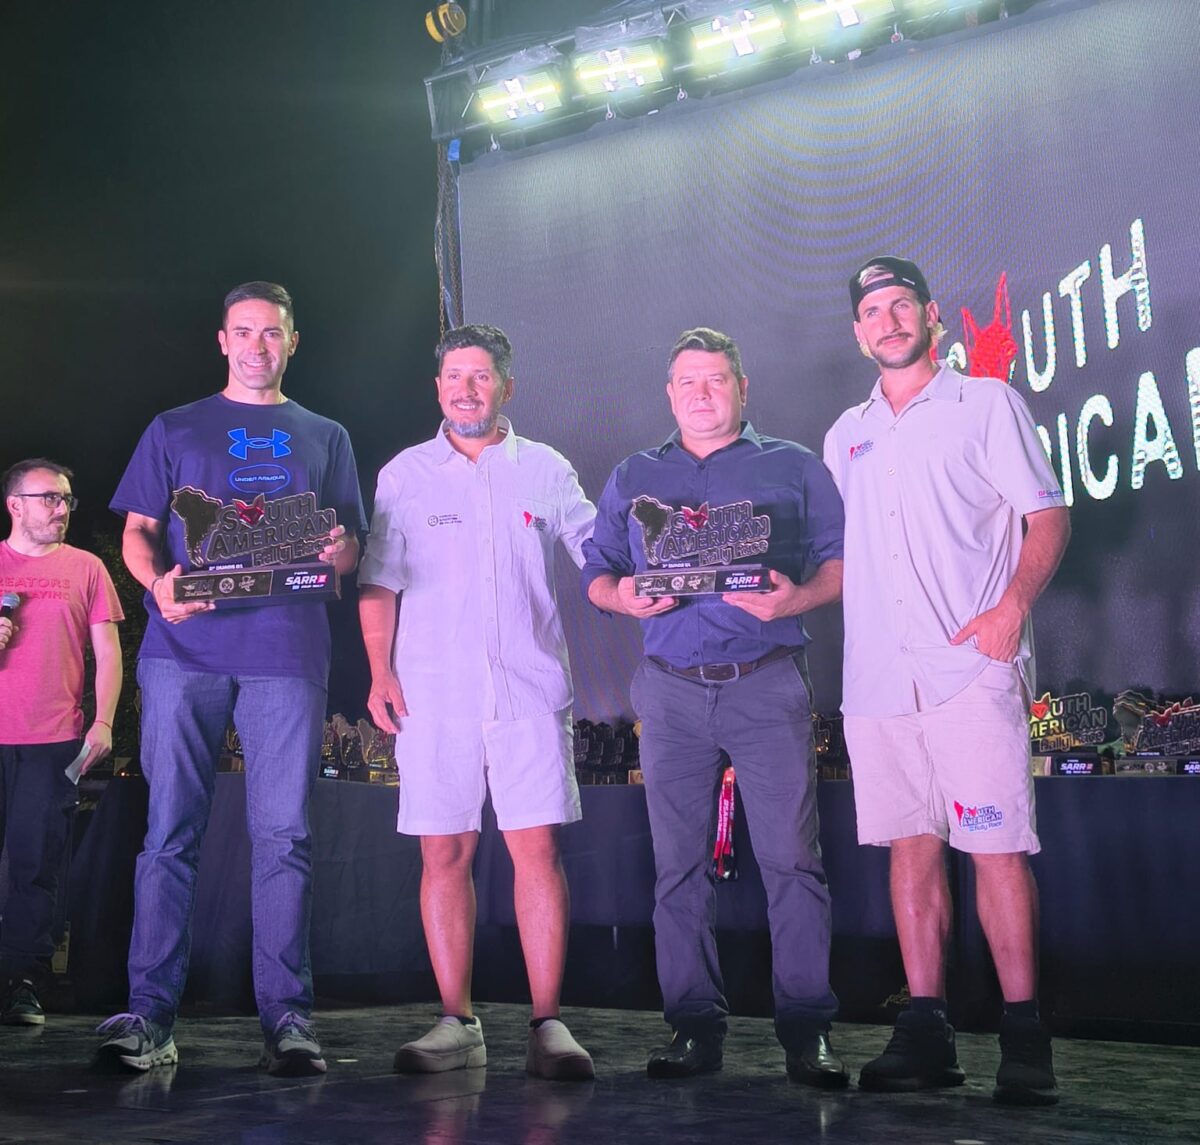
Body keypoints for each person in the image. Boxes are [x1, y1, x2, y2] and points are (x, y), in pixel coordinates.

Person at [100, 282, 365, 1076]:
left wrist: (340, 552)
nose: (257, 345)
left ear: (293, 341)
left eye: (272, 332)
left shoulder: (326, 434)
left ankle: (287, 1017)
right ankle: (151, 1014)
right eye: (244, 331)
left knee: (285, 836)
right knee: (168, 833)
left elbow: (350, 543)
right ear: (222, 340)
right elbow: (139, 533)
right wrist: (156, 585)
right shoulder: (174, 426)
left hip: (287, 651)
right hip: (183, 653)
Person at [824, 257, 1071, 1105]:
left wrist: (1012, 607)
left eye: (902, 305)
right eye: (873, 311)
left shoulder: (987, 403)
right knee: (911, 847)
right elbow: (841, 558)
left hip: (971, 669)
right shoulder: (845, 434)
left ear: (931, 316)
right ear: (858, 333)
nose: (888, 320)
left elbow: (1048, 514)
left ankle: (1024, 1032)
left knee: (996, 849)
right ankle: (926, 1027)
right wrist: (777, 595)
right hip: (879, 681)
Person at [581, 327, 848, 1087]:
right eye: (689, 382)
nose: (703, 394)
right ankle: (694, 1027)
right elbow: (598, 572)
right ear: (670, 394)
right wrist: (623, 596)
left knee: (793, 861)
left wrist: (797, 598)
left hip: (766, 680)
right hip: (669, 688)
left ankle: (807, 1031)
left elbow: (841, 561)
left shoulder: (794, 466)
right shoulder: (635, 475)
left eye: (717, 379)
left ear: (742, 387)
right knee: (677, 866)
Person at [358, 324, 597, 1082]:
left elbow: (600, 557)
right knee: (443, 853)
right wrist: (379, 672)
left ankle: (547, 1022)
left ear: (507, 386)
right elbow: (378, 581)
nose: (467, 389)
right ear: (437, 388)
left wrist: (663, 576)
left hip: (530, 690)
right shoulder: (404, 474)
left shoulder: (547, 469)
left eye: (482, 376)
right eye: (454, 377)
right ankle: (456, 1021)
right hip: (432, 695)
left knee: (538, 852)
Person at [0, 460, 123, 1026]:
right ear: (15, 504)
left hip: (53, 740)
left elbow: (108, 653)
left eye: (66, 499)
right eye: (49, 497)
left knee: (38, 863)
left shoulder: (86, 568)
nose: (61, 509)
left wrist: (103, 723)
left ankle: (24, 980)